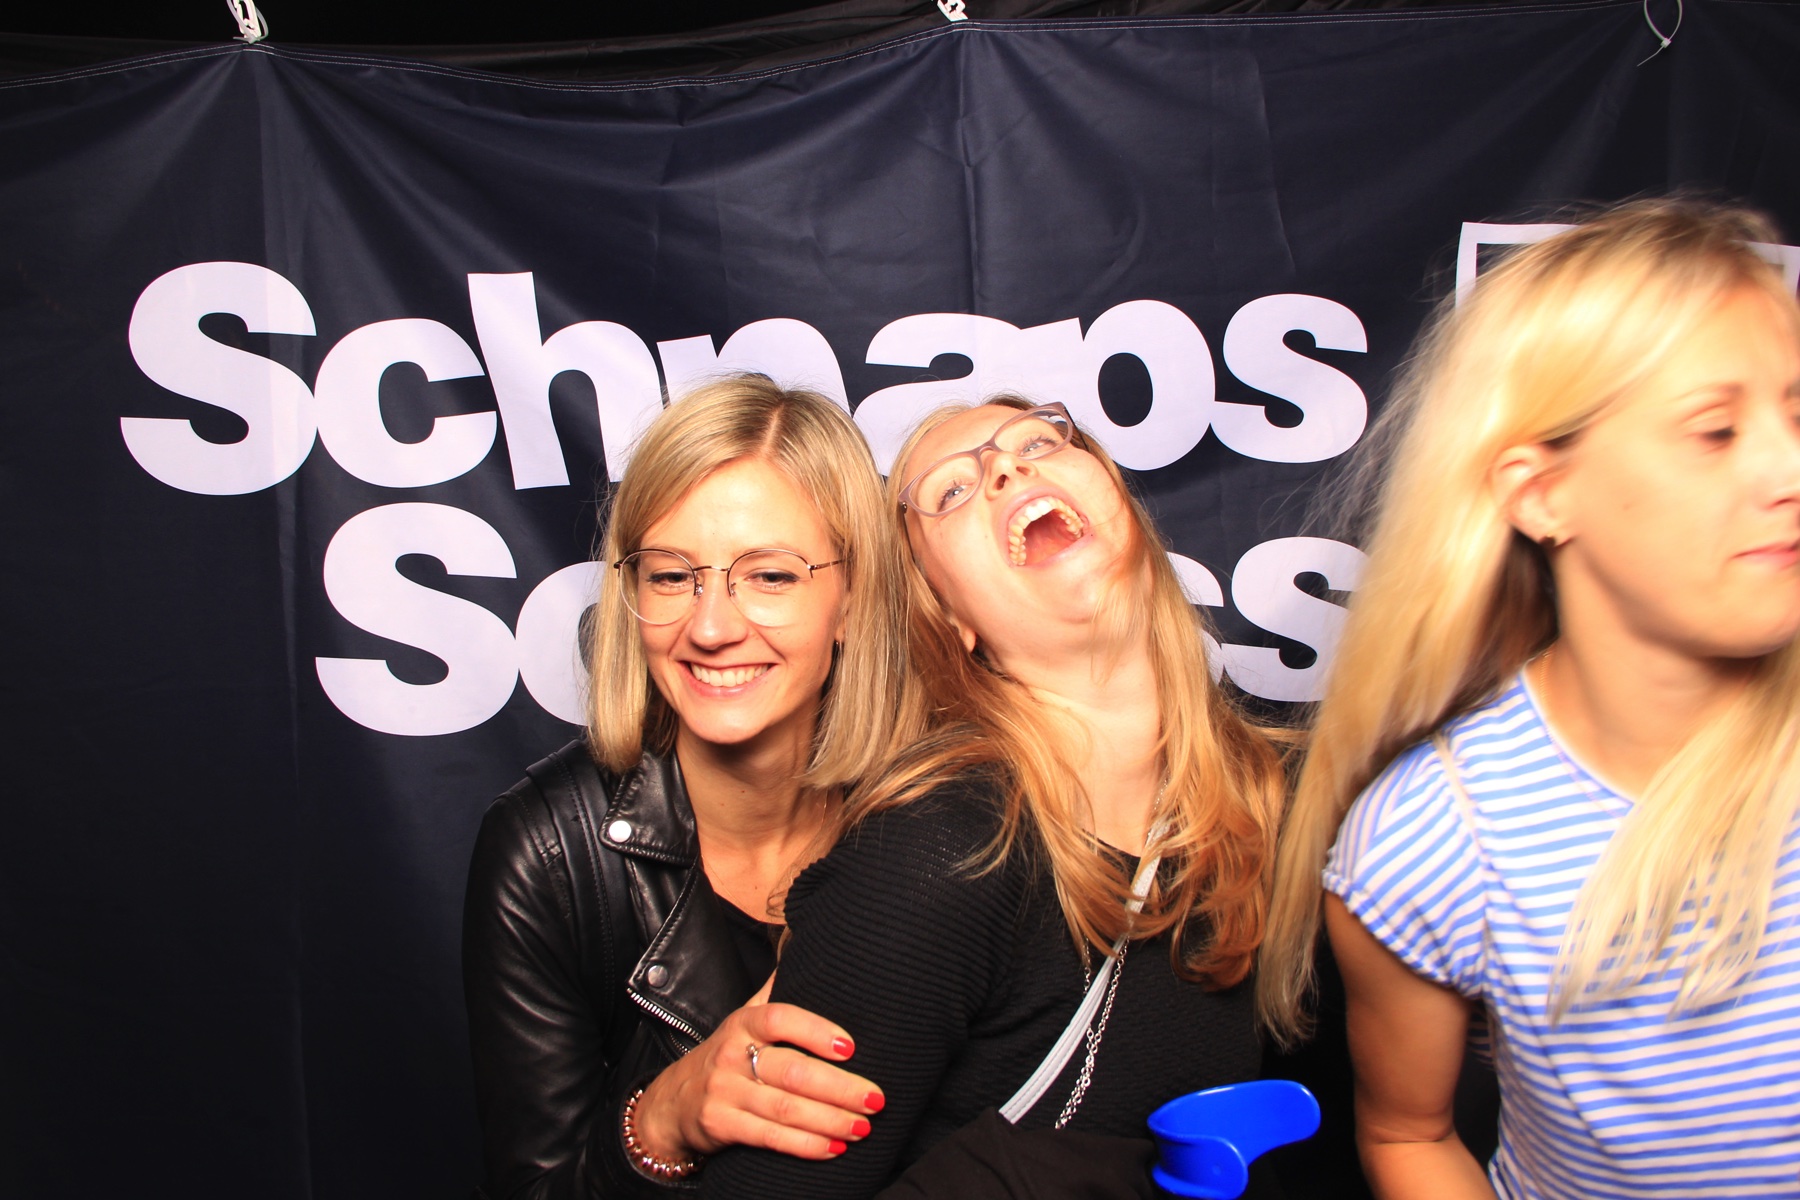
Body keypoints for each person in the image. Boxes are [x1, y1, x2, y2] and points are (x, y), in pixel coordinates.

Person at [1257, 199, 1800, 1199]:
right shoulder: (1436, 835)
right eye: (1716, 430)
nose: (1788, 467)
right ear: (1542, 494)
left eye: (1797, 414)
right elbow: (1410, 1137)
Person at [704, 397, 1290, 1198]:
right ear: (946, 615)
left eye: (1039, 442)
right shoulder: (938, 853)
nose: (1007, 467)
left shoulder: (1271, 799)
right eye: (949, 490)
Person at [463, 375, 919, 1197]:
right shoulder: (550, 856)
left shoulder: (932, 814)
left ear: (853, 598)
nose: (710, 628)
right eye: (672, 577)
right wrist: (662, 1120)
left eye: (770, 576)